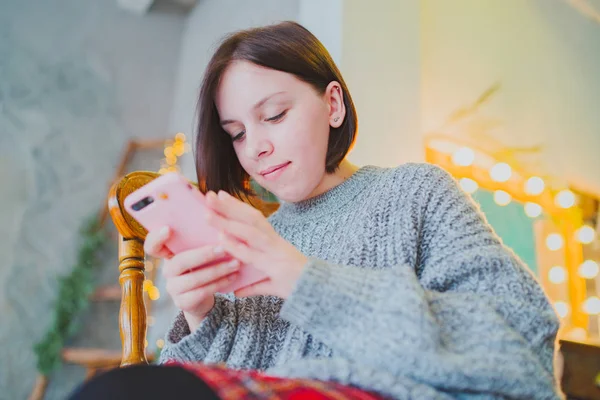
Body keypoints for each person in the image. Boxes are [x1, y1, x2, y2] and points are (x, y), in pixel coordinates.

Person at [71, 21, 563, 400]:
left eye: (274, 115)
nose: (256, 147)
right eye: (237, 132)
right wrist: (202, 319)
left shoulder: (414, 192)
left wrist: (300, 276)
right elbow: (229, 377)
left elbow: (520, 346)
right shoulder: (259, 236)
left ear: (332, 105)